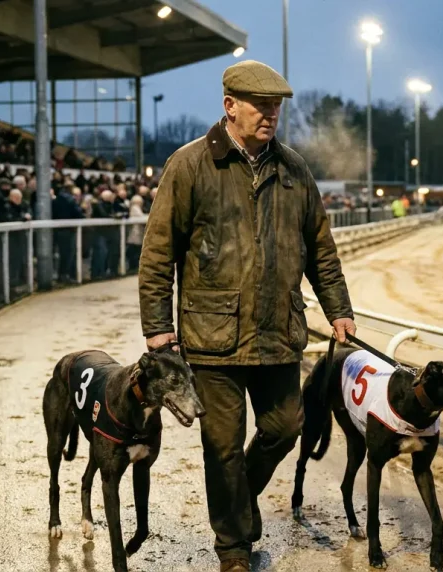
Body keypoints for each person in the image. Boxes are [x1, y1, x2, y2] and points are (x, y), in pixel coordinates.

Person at [138, 60, 355, 572]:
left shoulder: (294, 170)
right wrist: (157, 327)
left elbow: (320, 249)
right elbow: (157, 253)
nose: (271, 114)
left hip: (278, 332)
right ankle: (233, 548)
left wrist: (339, 309)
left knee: (285, 428)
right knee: (223, 447)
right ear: (229, 105)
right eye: (261, 105)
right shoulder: (188, 166)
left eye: (276, 106)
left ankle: (239, 504)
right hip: (210, 336)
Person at [125, 194, 145, 272]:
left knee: (136, 251)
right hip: (135, 233)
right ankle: (132, 267)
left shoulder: (137, 208)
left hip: (138, 232)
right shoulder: (135, 208)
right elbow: (141, 217)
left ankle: (134, 267)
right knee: (134, 251)